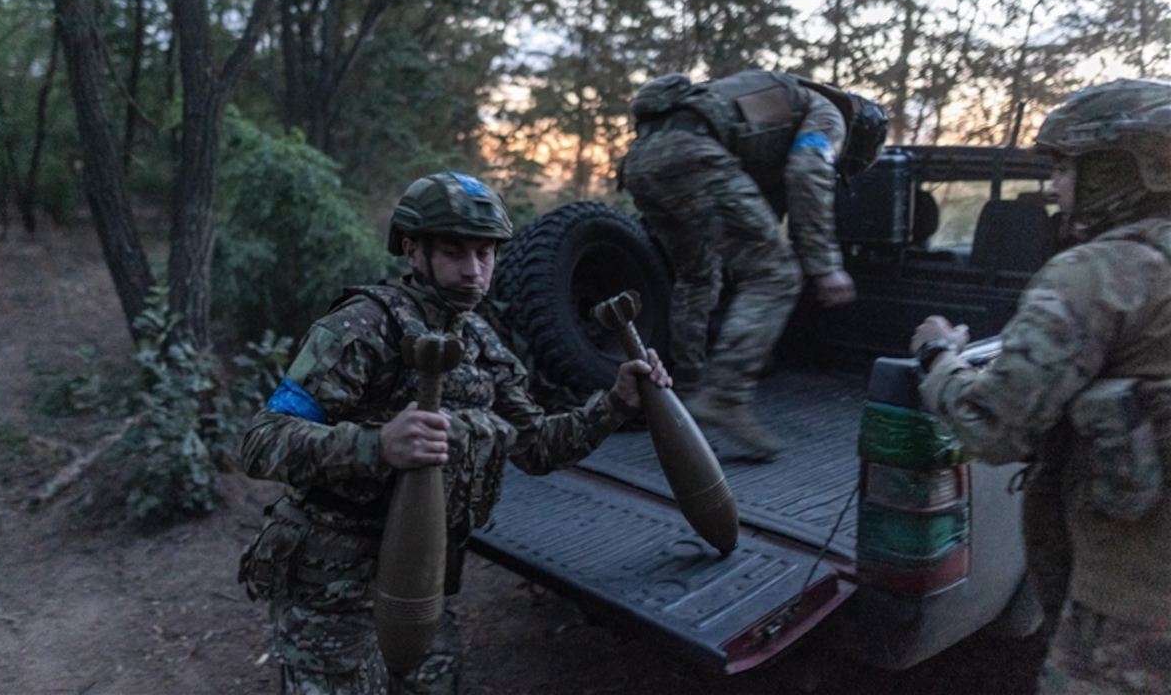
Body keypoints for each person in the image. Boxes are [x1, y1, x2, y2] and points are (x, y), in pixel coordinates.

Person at [236, 171, 672, 695]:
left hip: (421, 584)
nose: (472, 271)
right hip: (333, 589)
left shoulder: (483, 343)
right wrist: (377, 445)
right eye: (453, 251)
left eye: (484, 254)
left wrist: (615, 403)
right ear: (412, 250)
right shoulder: (362, 327)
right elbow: (262, 439)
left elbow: (536, 447)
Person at [909, 79, 1170, 694]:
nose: (1053, 187)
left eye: (1065, 169)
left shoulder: (1100, 272)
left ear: (1119, 169)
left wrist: (938, 357)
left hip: (1133, 609)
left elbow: (991, 427)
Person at [620, 69, 887, 457]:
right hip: (693, 153)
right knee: (776, 275)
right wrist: (825, 264)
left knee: (697, 276)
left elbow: (755, 199)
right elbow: (808, 169)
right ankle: (724, 395)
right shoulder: (828, 114)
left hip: (640, 161)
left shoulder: (774, 102)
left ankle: (689, 387)